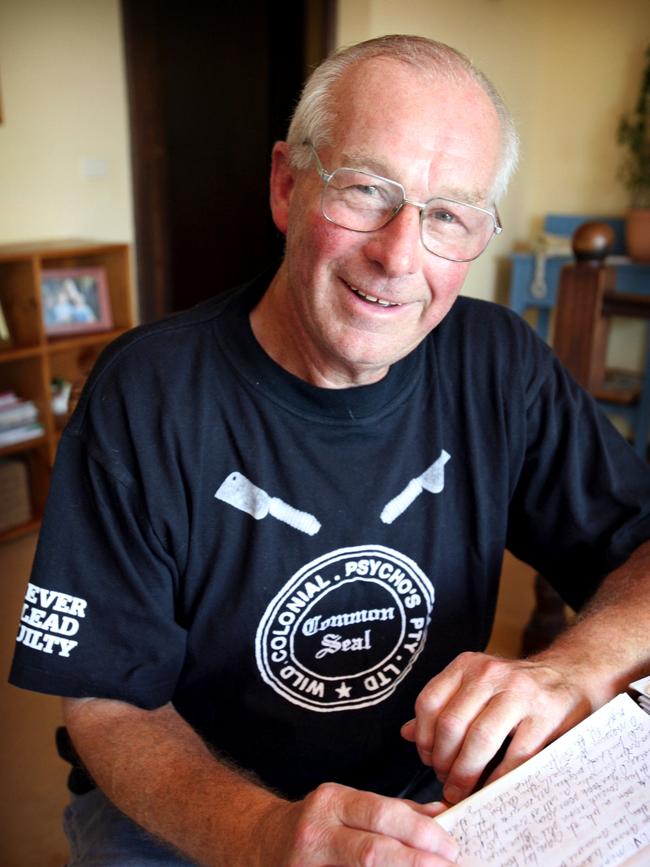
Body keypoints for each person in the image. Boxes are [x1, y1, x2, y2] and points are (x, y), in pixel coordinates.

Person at [9, 34, 650, 867]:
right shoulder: (146, 392)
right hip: (187, 811)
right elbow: (105, 702)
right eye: (365, 191)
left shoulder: (499, 360)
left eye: (448, 214)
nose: (397, 255)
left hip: (422, 799)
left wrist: (572, 668)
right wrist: (262, 832)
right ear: (285, 184)